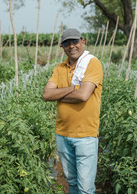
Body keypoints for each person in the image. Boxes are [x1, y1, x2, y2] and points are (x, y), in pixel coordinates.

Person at [43, 28, 103, 194]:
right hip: (62, 134)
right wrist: (73, 88)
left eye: (75, 41)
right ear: (62, 47)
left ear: (82, 42)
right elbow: (47, 94)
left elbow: (83, 95)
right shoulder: (59, 68)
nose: (71, 46)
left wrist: (59, 93)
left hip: (85, 135)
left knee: (85, 188)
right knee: (72, 183)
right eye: (67, 43)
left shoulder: (92, 63)